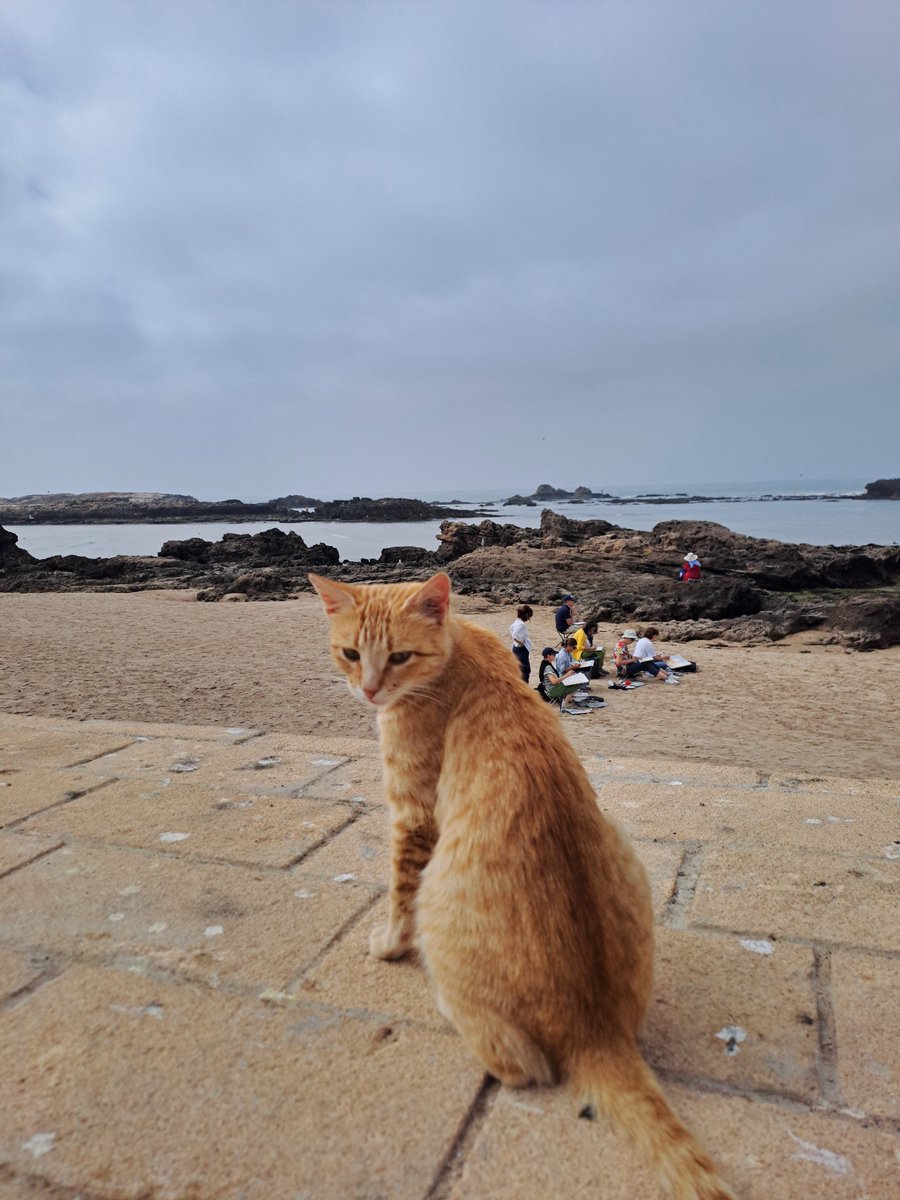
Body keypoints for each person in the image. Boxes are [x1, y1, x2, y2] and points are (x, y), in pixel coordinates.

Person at [538, 646, 592, 715]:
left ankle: (565, 703)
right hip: (552, 690)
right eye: (553, 654)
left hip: (552, 688)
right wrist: (567, 675)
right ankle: (564, 705)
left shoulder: (545, 664)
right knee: (577, 684)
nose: (555, 656)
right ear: (548, 656)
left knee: (574, 683)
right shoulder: (548, 667)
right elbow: (554, 681)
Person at [509, 604, 534, 682]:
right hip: (521, 649)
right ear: (526, 615)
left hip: (516, 648)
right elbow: (515, 636)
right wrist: (521, 643)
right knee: (525, 670)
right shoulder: (521, 624)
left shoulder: (516, 622)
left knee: (521, 669)